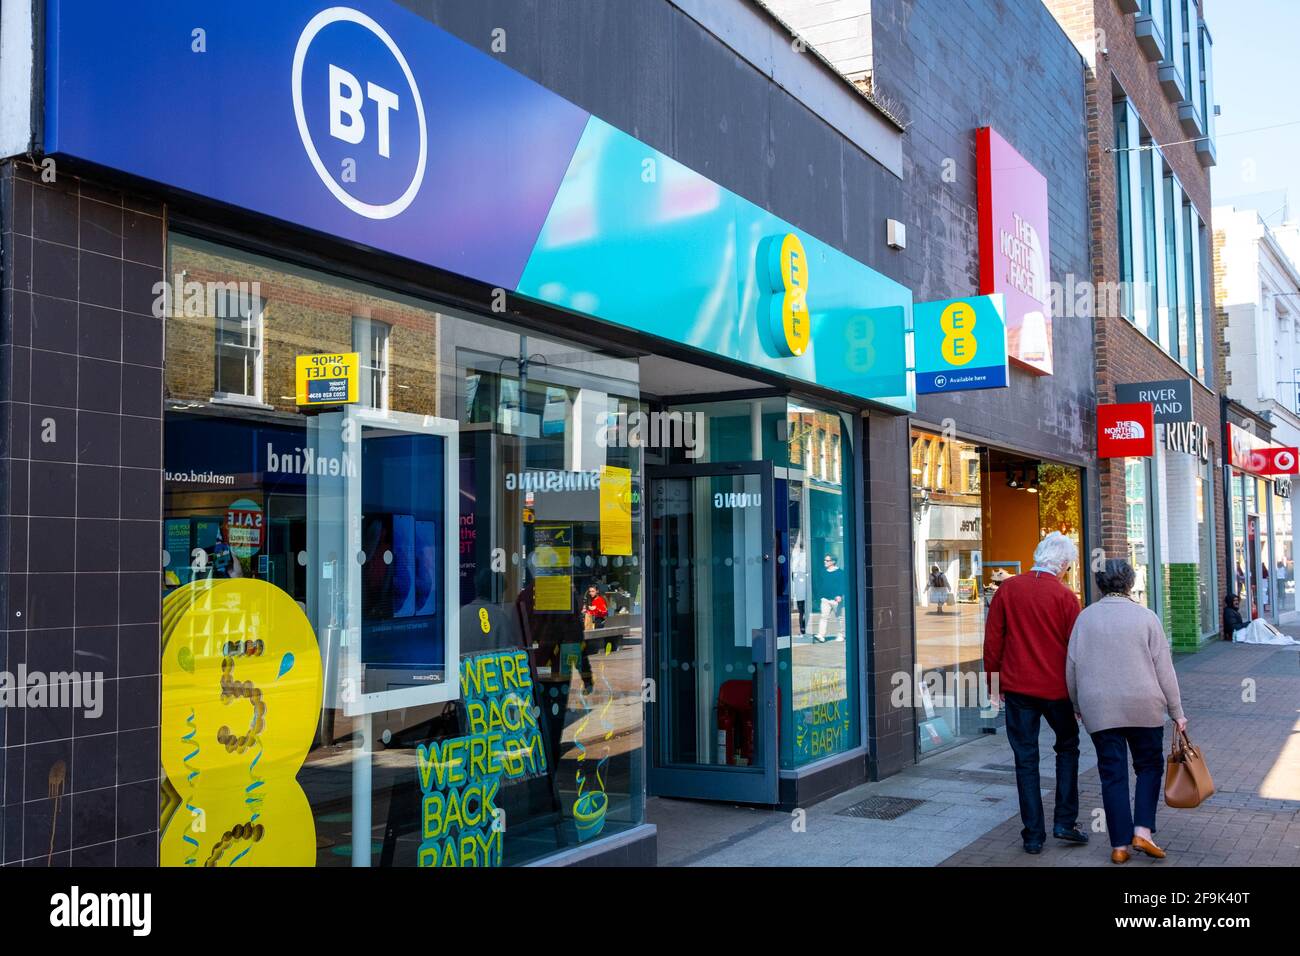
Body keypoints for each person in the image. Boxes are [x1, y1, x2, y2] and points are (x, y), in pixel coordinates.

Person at [1067, 559, 1186, 864]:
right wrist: (1177, 711)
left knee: (1112, 774)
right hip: (1144, 707)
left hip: (1100, 709)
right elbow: (1164, 669)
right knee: (1149, 767)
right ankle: (1142, 832)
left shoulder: (1085, 618)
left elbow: (1072, 667)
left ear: (1100, 584)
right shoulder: (1146, 617)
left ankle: (1119, 845)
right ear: (1130, 583)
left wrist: (1078, 704)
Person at [983, 532, 1086, 854]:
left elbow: (993, 641)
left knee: (1025, 759)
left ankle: (1033, 835)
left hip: (1017, 689)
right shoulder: (1066, 598)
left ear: (1037, 555)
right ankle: (1065, 822)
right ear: (1065, 565)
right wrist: (1079, 698)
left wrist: (993, 684)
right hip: (1057, 691)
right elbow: (1076, 652)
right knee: (1067, 748)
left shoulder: (1008, 589)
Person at [816, 554, 844, 642]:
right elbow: (820, 584)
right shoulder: (823, 571)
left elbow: (842, 585)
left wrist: (840, 595)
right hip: (825, 599)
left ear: (833, 562)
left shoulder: (840, 572)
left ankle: (841, 635)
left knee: (839, 618)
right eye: (825, 560)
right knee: (824, 617)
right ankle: (821, 635)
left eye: (827, 560)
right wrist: (820, 596)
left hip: (836, 600)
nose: (825, 562)